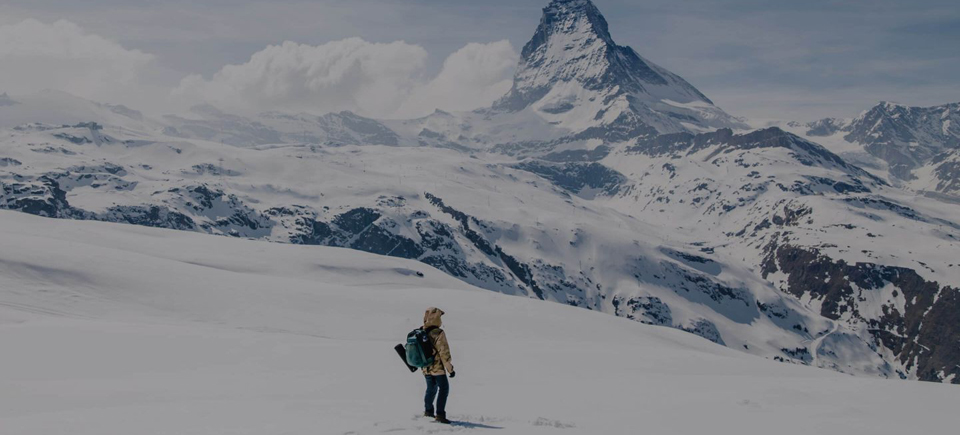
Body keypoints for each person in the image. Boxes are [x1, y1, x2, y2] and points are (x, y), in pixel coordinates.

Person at [421, 307, 455, 424]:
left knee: (431, 388)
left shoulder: (421, 331)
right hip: (437, 367)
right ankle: (440, 414)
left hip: (425, 367)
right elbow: (443, 352)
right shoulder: (438, 333)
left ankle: (428, 411)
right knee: (444, 388)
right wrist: (450, 368)